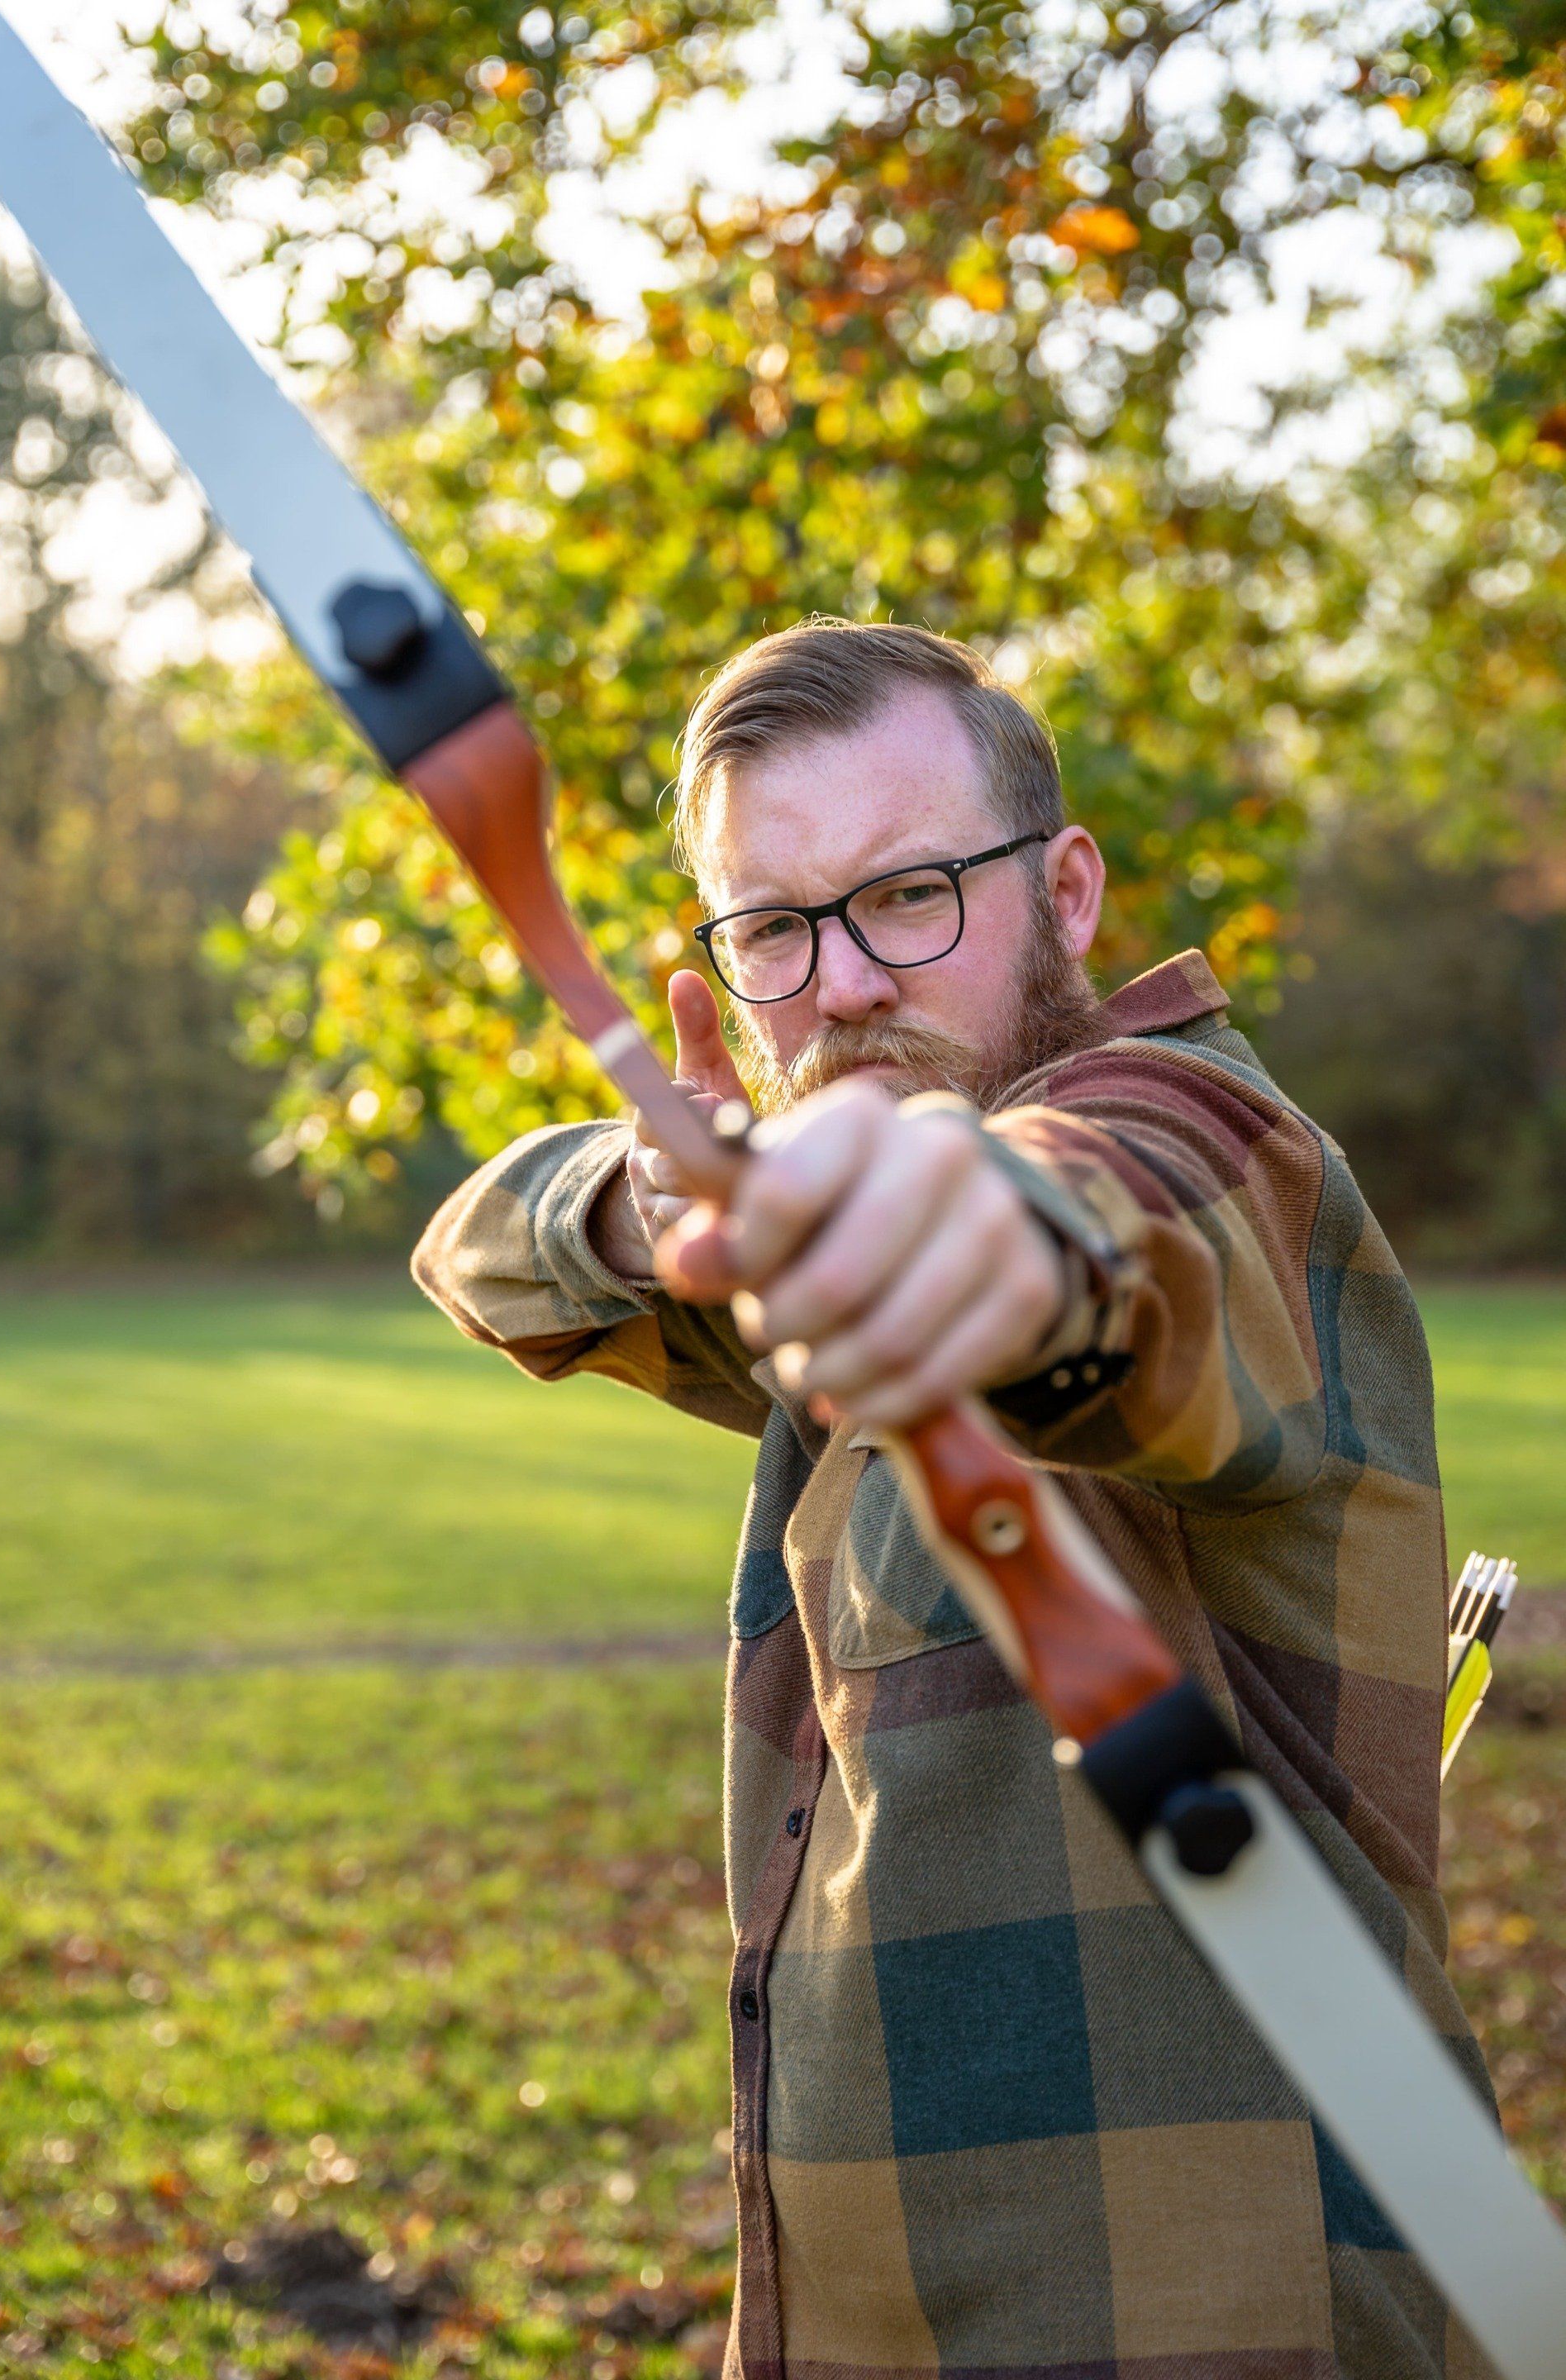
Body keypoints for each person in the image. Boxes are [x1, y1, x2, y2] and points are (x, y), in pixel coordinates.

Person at [413, 618, 1491, 2379]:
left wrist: (936, 1226)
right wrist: (661, 1194)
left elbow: (1079, 1250)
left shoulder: (1210, 1141)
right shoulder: (814, 1287)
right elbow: (481, 1254)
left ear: (1065, 896)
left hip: (1215, 2323)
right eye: (773, 926)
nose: (839, 987)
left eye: (912, 896)